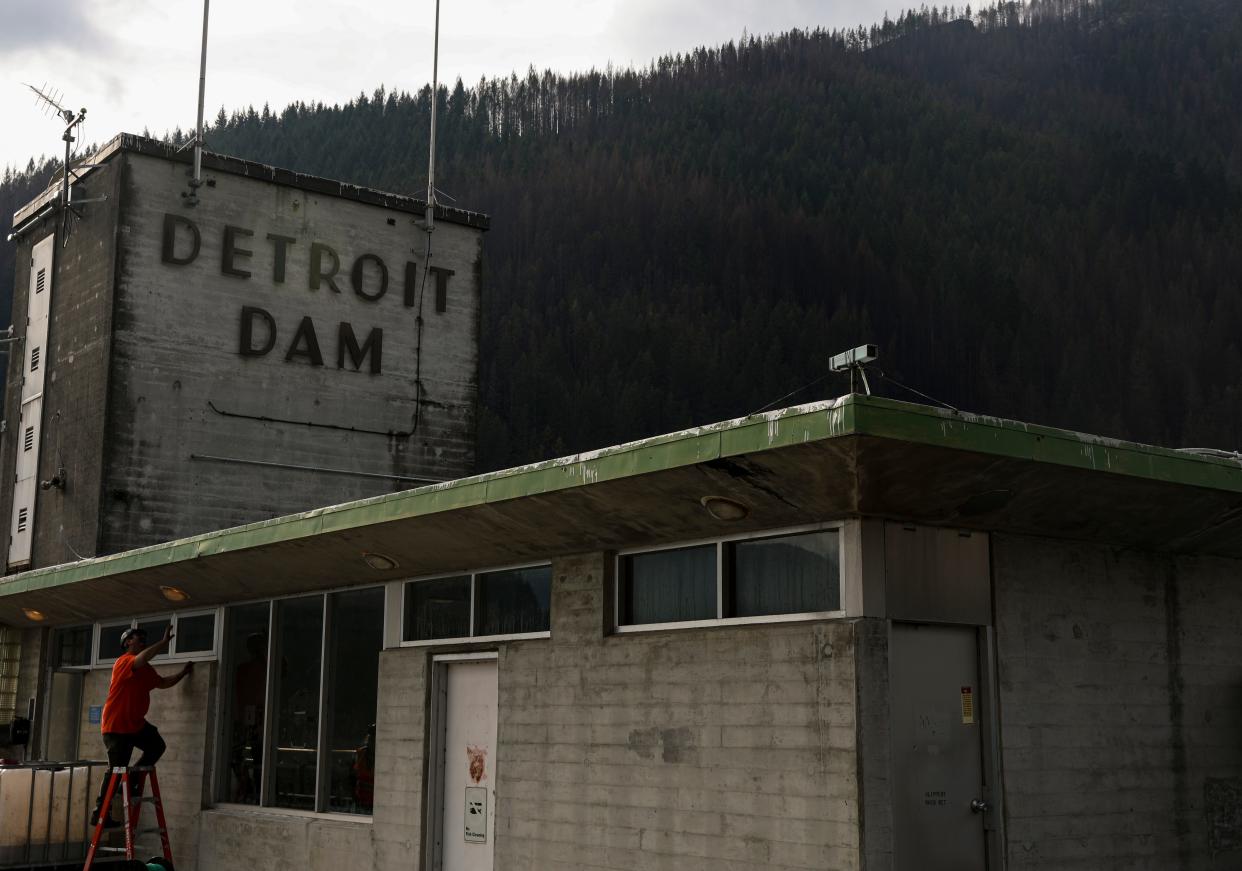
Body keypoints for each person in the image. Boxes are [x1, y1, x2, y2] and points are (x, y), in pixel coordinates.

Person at [91, 625, 193, 827]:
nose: (143, 639)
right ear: (128, 642)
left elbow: (162, 683)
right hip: (116, 727)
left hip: (135, 725)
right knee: (115, 770)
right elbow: (141, 659)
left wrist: (183, 673)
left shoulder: (145, 669)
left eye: (144, 637)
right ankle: (100, 814)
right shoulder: (124, 662)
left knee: (157, 746)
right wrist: (163, 644)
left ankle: (130, 780)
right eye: (138, 637)